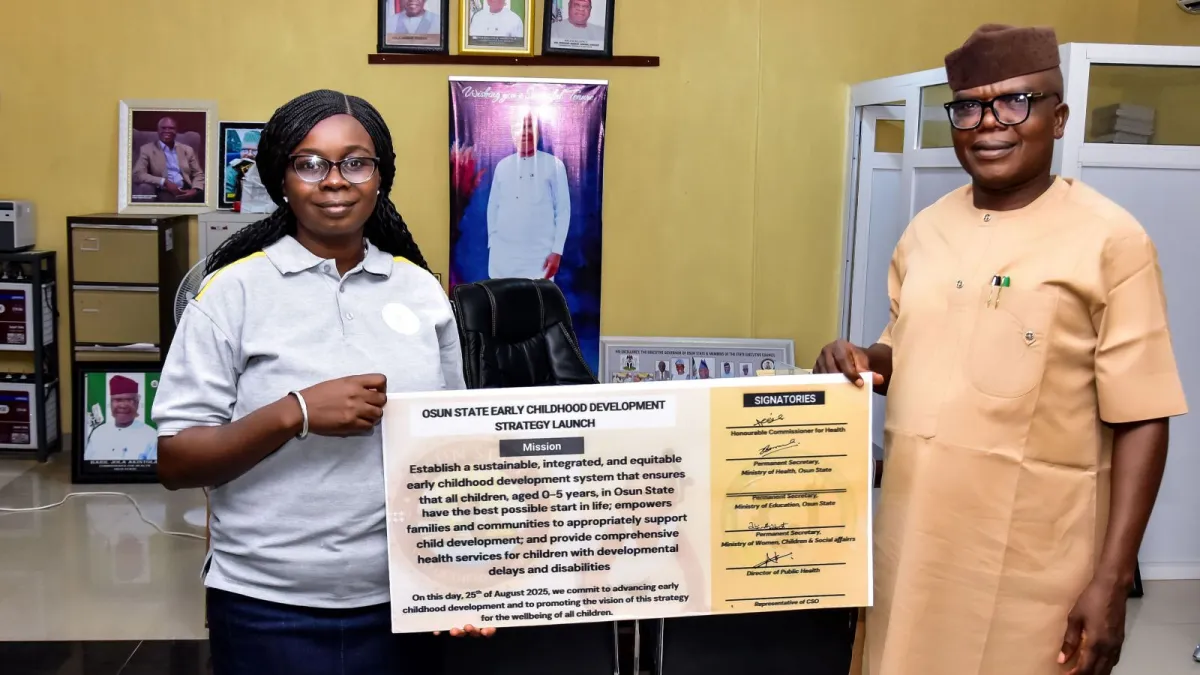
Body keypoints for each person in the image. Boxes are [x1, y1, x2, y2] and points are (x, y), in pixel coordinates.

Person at [814, 25, 1187, 675]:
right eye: (969, 106)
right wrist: (858, 361)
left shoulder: (1112, 242)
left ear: (1058, 116)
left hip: (1033, 570)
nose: (989, 123)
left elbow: (1143, 414)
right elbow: (906, 350)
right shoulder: (925, 231)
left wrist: (1112, 580)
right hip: (912, 549)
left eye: (1016, 101)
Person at [152, 89, 488, 675]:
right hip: (267, 605)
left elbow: (453, 453)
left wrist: (462, 575)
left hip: (401, 598)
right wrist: (296, 411)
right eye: (309, 163)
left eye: (355, 162)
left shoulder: (420, 289)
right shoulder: (231, 294)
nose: (334, 180)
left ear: (380, 176)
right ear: (282, 179)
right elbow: (177, 462)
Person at [486, 111, 571, 280]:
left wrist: (557, 251)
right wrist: (492, 242)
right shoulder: (502, 166)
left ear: (538, 131)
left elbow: (562, 210)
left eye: (529, 127)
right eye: (519, 128)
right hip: (503, 256)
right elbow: (493, 207)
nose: (525, 133)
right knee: (503, 302)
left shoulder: (554, 165)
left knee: (536, 302)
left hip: (539, 257)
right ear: (512, 132)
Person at [83, 375, 158, 461]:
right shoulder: (98, 433)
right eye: (118, 400)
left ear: (137, 403)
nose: (123, 405)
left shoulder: (151, 435)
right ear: (111, 403)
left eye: (129, 400)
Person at [132, 116, 205, 203]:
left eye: (171, 128)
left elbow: (198, 173)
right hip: (164, 190)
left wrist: (195, 189)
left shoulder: (187, 150)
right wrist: (164, 182)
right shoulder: (146, 149)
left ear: (176, 131)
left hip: (187, 189)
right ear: (158, 130)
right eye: (163, 128)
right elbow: (137, 174)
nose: (167, 131)